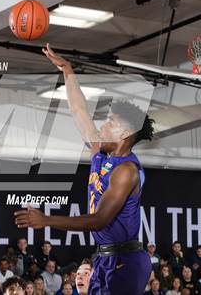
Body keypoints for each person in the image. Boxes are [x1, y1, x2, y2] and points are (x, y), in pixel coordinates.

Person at [15, 44, 154, 295]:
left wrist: (47, 220)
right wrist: (68, 71)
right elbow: (79, 110)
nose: (103, 124)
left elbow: (99, 220)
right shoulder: (100, 153)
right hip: (105, 258)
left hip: (126, 261)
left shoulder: (126, 171)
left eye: (111, 121)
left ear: (124, 133)